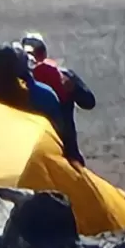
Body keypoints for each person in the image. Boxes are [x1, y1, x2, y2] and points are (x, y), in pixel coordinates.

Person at [21, 32, 96, 164]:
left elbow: (89, 102)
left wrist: (74, 88)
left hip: (62, 149)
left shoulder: (63, 76)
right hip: (39, 148)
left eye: (37, 52)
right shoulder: (20, 81)